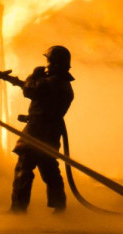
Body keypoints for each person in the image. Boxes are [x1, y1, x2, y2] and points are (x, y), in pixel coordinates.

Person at [10, 45, 75, 213]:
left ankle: (18, 209)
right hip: (51, 132)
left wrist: (33, 75)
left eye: (49, 61)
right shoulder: (63, 84)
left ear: (55, 64)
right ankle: (59, 208)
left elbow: (30, 90)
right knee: (49, 168)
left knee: (24, 167)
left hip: (38, 130)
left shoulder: (52, 83)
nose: (46, 64)